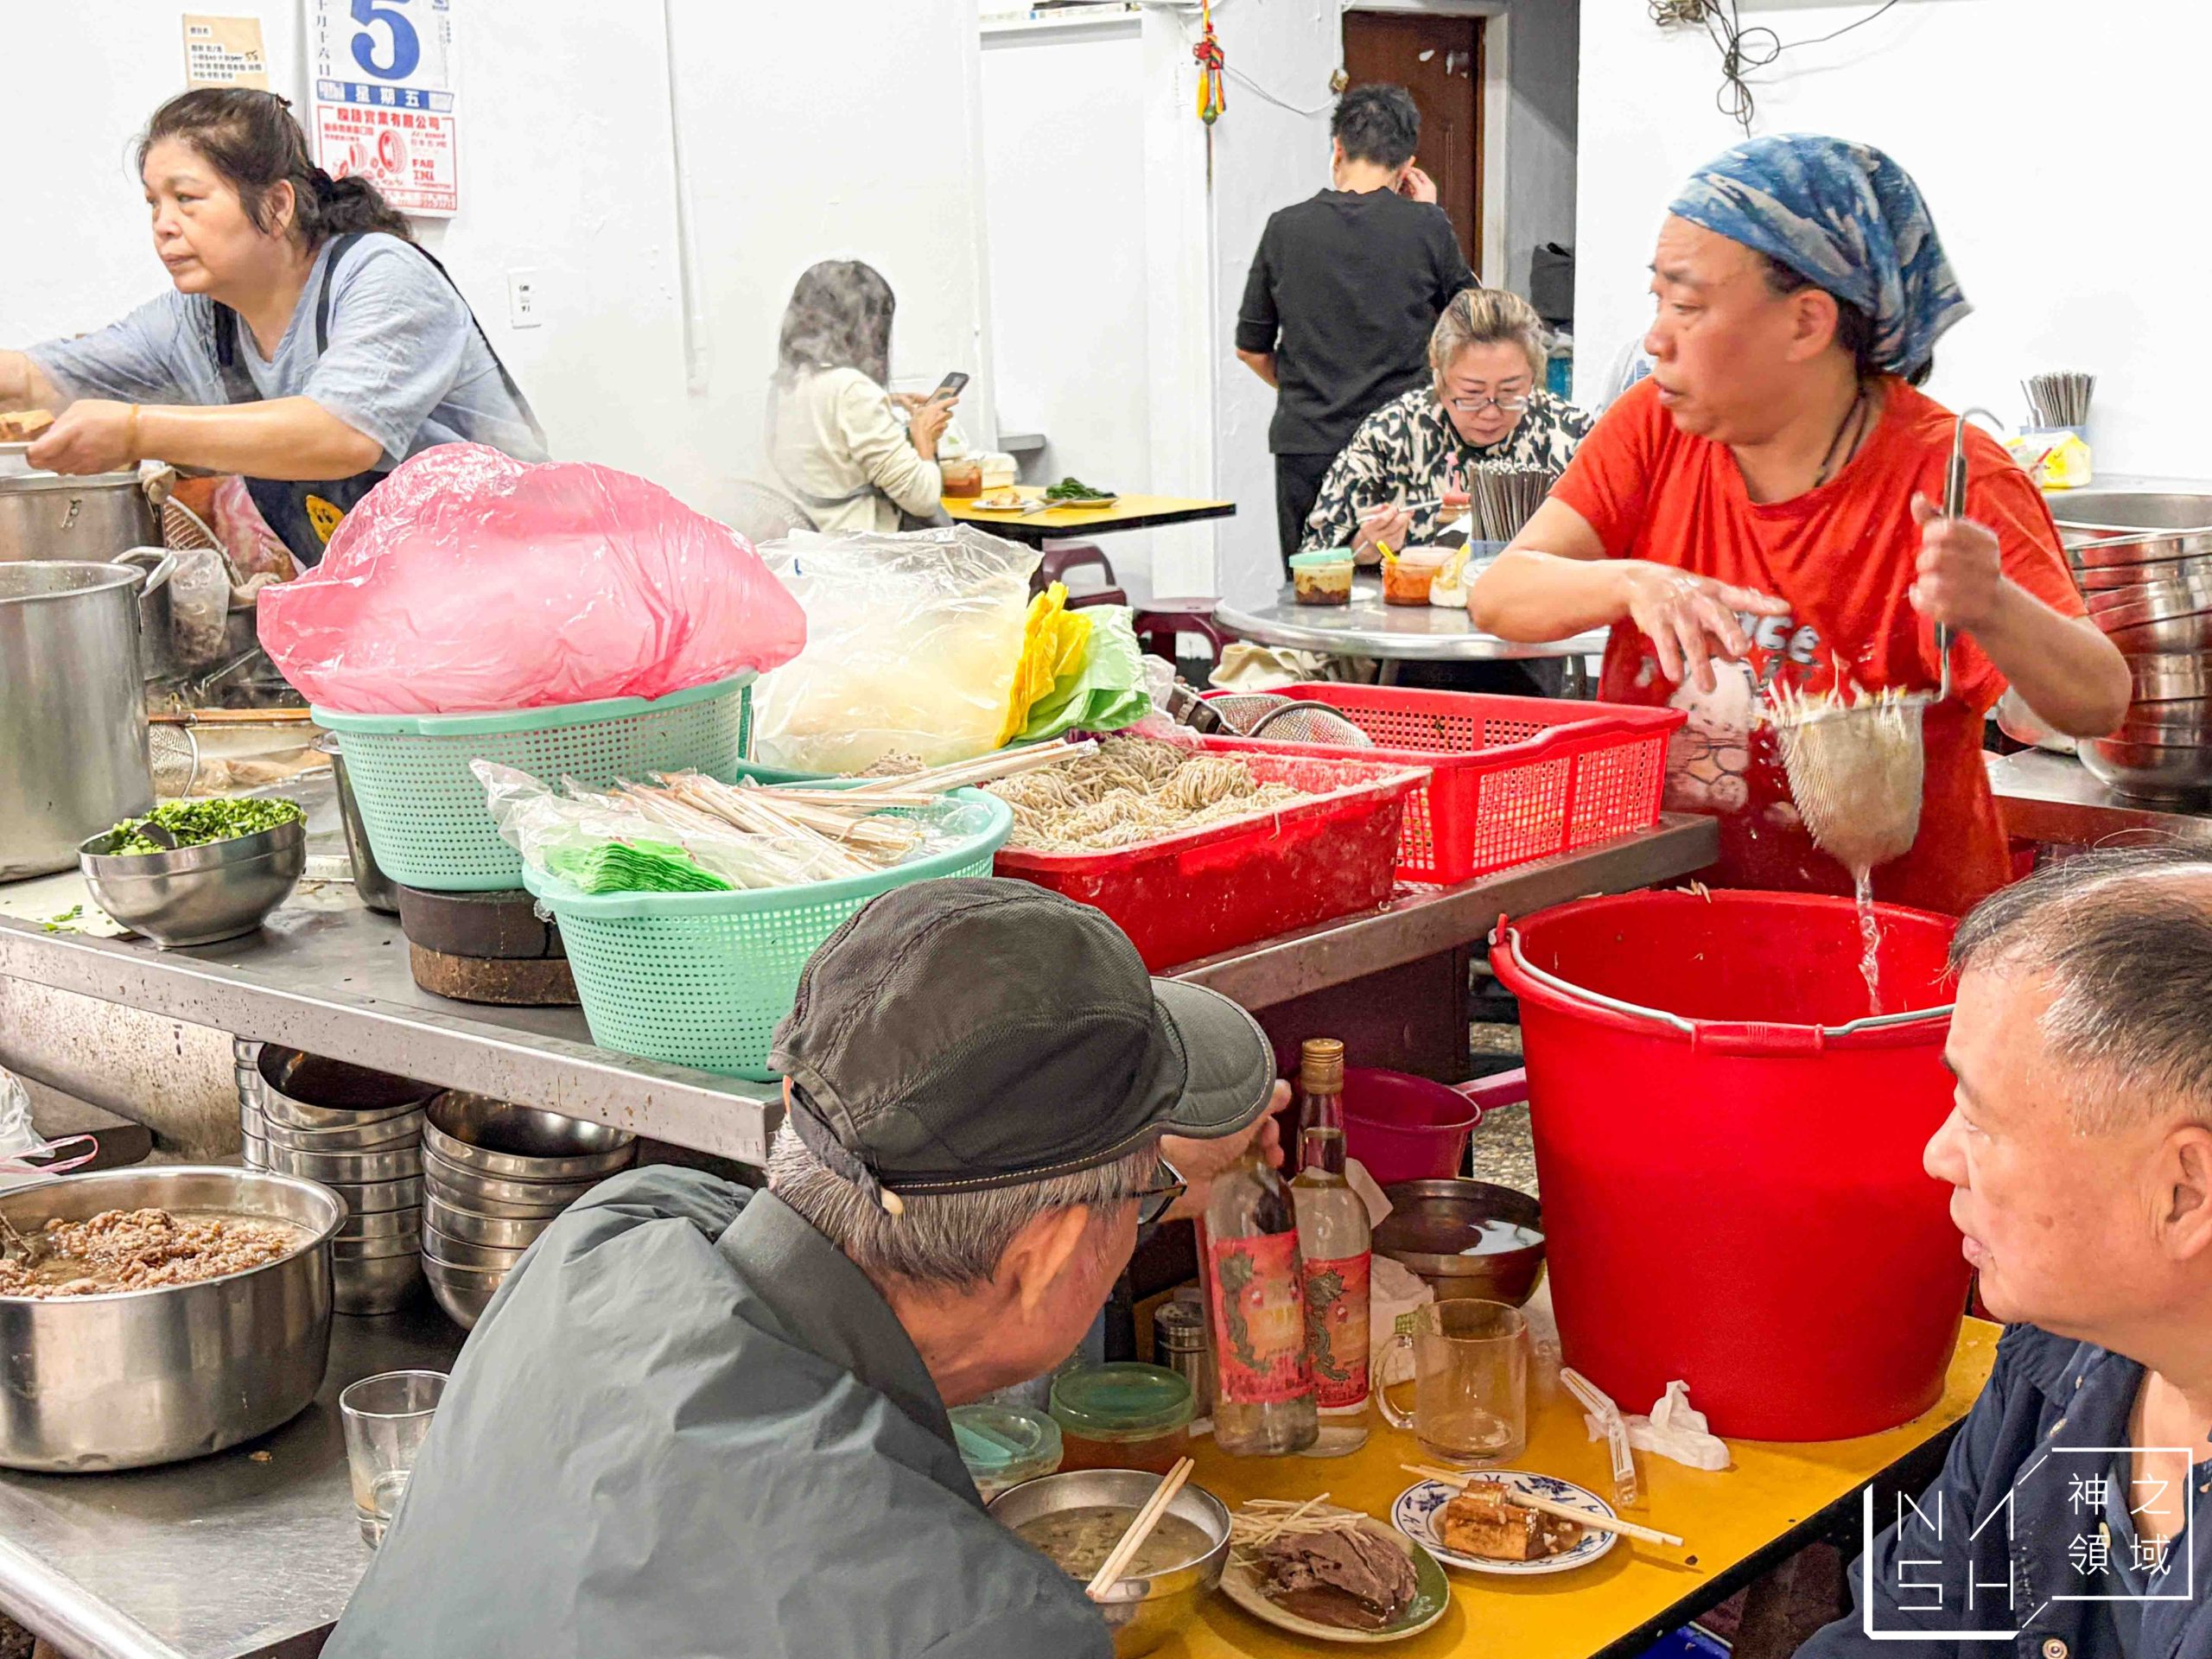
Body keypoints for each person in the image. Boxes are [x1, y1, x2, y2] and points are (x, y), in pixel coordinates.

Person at [322, 879, 1285, 1659]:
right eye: (1138, 1205)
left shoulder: (609, 1237)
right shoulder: (979, 1624)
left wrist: (1136, 1194)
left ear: (793, 1093)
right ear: (1046, 1257)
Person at [1466, 133, 2126, 916]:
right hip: (1670, 930)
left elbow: (2099, 703)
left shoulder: (1950, 476)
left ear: (1807, 322)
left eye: (1688, 305)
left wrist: (1994, 607)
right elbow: (1502, 595)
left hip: (1888, 957)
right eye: (1658, 302)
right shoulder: (1654, 428)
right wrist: (1636, 581)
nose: (1655, 338)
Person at [1796, 849, 2212, 1659]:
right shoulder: (2066, 1354)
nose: (1938, 1157)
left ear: (2185, 1191)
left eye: (1979, 1123)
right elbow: (1901, 1630)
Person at [1, 89, 544, 567]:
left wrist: (137, 430)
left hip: (514, 587)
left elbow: (341, 436)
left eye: (186, 198)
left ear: (277, 205)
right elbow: (38, 378)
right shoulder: (197, 318)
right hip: (395, 616)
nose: (163, 225)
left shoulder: (380, 274)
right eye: (153, 203)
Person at [1236, 84, 1477, 574]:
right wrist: (1431, 213)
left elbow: (1251, 349)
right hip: (1401, 446)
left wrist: (1308, 388)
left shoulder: (1285, 228)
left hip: (1309, 442)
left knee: (1315, 588)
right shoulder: (1426, 227)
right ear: (1407, 165)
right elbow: (1475, 324)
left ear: (1338, 150)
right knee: (1403, 588)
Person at [1301, 286, 1592, 559]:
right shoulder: (1393, 433)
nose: (1490, 412)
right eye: (1472, 394)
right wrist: (1360, 546)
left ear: (1534, 378)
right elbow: (1313, 554)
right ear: (1439, 377)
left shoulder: (1570, 435)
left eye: (1510, 392)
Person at [764, 259, 959, 535]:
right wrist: (923, 435)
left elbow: (828, 445)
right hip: (861, 552)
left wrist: (883, 403)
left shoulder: (787, 383)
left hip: (807, 544)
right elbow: (923, 499)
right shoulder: (852, 389)